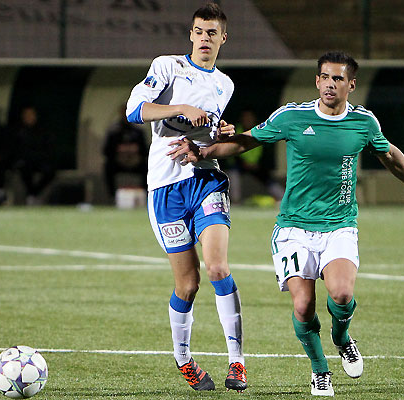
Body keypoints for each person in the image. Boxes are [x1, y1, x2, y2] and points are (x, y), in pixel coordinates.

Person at [168, 51, 404, 396]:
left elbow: (389, 155)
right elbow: (248, 140)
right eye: (325, 77)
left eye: (339, 79)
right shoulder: (292, 117)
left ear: (351, 84)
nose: (331, 84)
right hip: (293, 229)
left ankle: (341, 337)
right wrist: (204, 152)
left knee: (342, 294)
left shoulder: (363, 122)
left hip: (339, 225)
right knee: (302, 305)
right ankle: (320, 370)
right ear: (317, 81)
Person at [125, 2, 247, 392]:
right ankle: (184, 359)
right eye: (199, 31)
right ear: (190, 34)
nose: (205, 38)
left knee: (217, 268)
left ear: (223, 38)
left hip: (206, 180)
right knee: (188, 284)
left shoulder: (224, 85)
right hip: (165, 189)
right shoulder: (166, 67)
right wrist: (181, 107)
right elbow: (133, 110)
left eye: (212, 33)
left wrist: (221, 133)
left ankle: (237, 363)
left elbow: (209, 136)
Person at [225, 109, 284, 204]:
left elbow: (264, 151)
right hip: (239, 164)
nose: (248, 120)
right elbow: (231, 149)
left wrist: (255, 164)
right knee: (233, 173)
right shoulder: (236, 130)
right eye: (245, 118)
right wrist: (243, 163)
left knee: (266, 177)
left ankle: (283, 198)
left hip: (255, 165)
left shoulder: (259, 130)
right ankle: (236, 201)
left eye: (250, 118)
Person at [11, 106, 56, 205]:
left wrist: (39, 157)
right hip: (25, 162)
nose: (29, 117)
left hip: (39, 161)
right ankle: (32, 196)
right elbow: (16, 150)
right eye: (26, 115)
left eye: (31, 114)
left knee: (50, 171)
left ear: (35, 116)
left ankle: (32, 194)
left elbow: (48, 148)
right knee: (25, 169)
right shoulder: (17, 131)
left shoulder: (43, 130)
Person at [102, 105, 148, 198]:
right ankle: (112, 196)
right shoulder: (114, 131)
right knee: (108, 167)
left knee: (147, 167)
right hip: (118, 162)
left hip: (136, 162)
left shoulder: (138, 131)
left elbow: (145, 150)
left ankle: (146, 194)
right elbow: (106, 151)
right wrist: (119, 150)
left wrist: (135, 150)